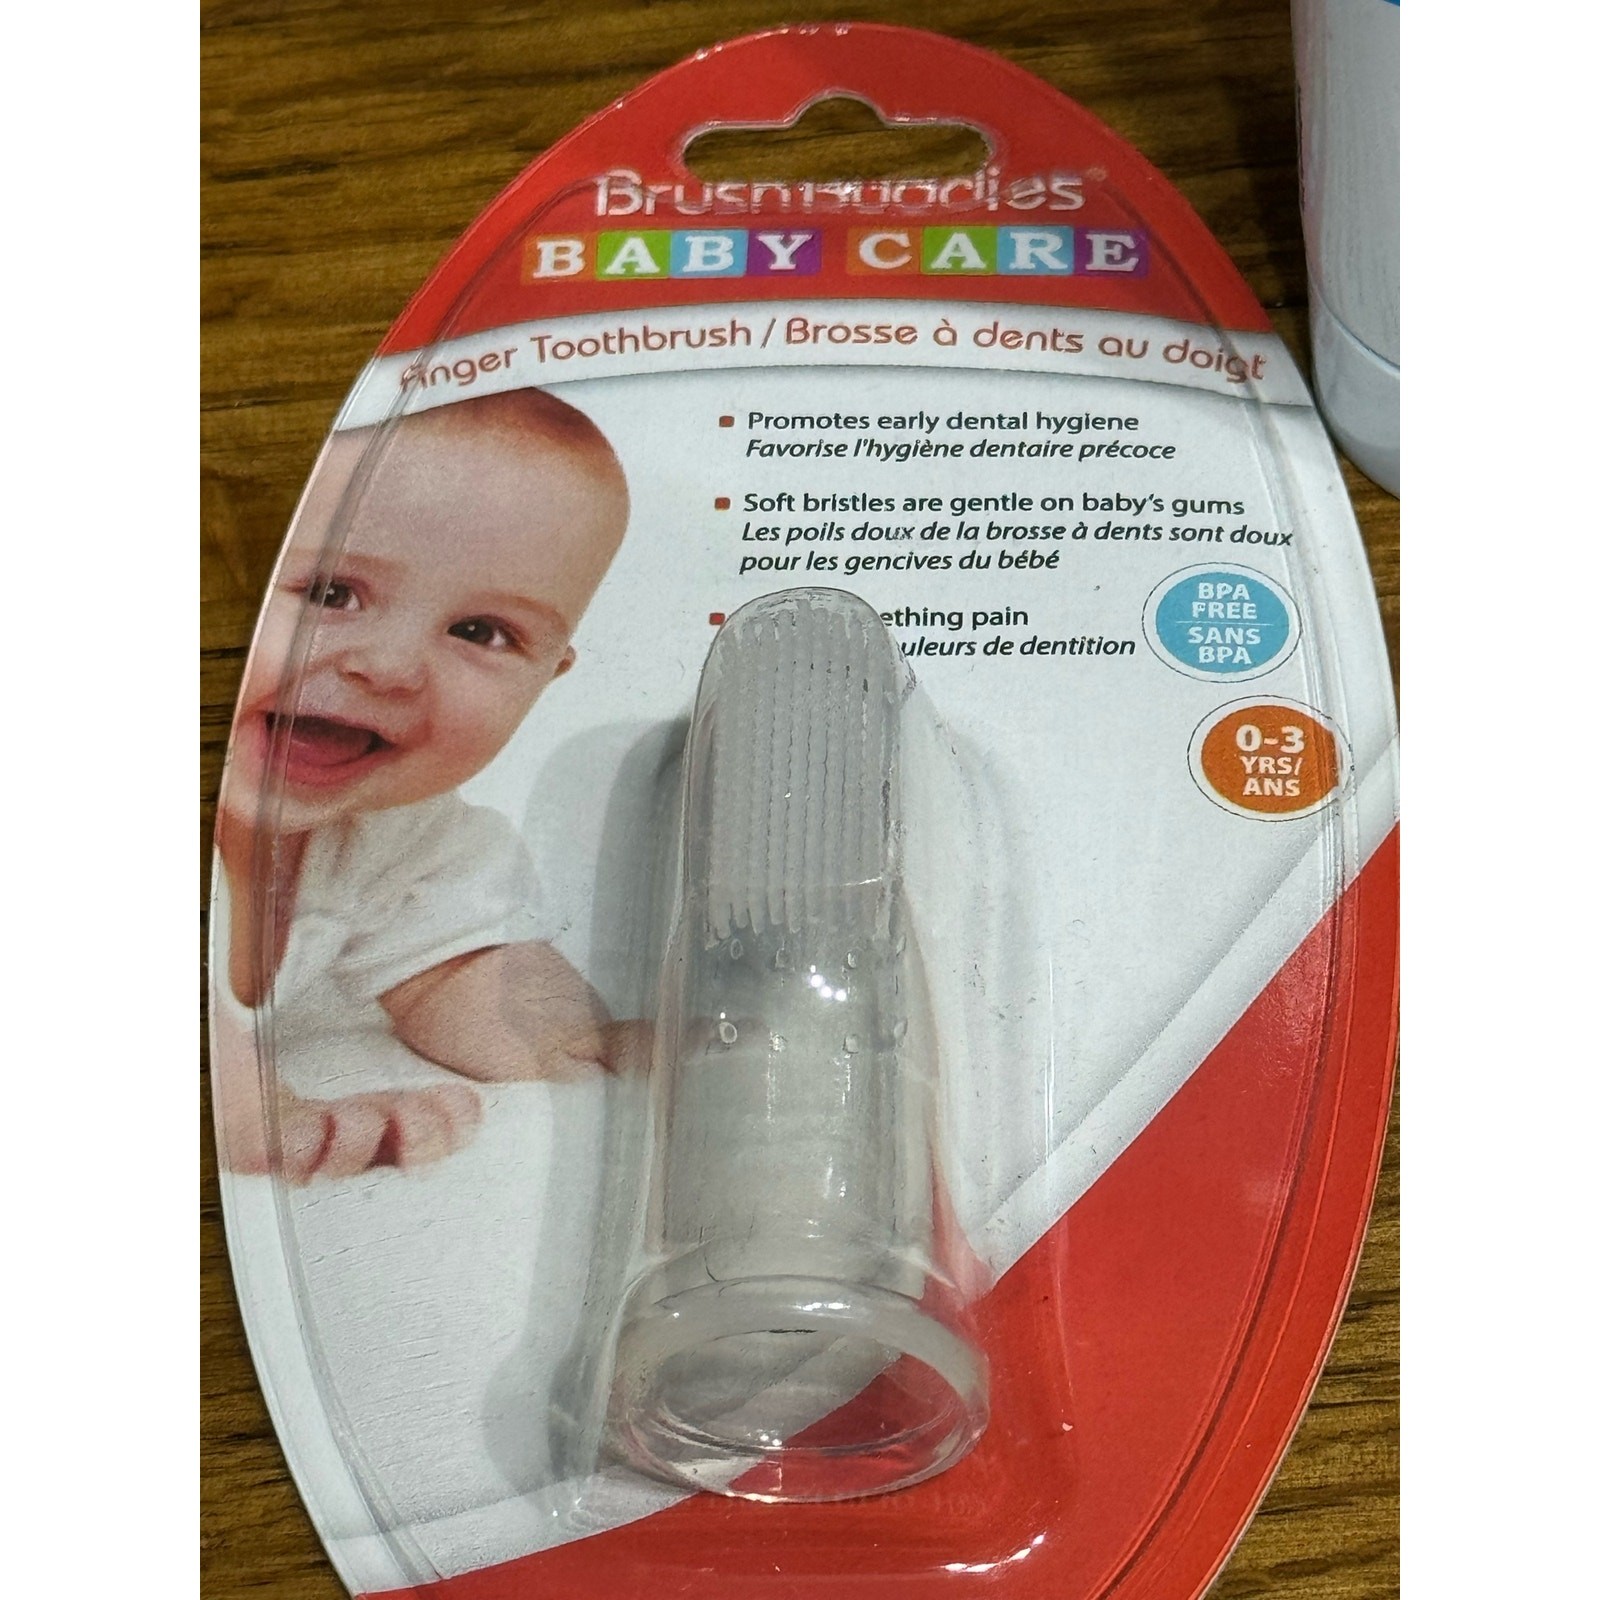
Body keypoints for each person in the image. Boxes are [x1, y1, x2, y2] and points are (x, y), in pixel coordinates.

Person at [212, 386, 634, 1182]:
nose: (390, 666)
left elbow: (451, 971)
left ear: (549, 676)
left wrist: (585, 1044)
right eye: (331, 593)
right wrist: (241, 1102)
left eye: (480, 632)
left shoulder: (406, 836)